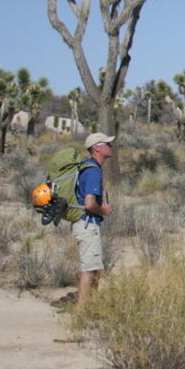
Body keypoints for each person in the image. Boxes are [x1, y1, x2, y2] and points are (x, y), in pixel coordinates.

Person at [73, 132, 115, 308]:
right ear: (97, 148)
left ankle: (92, 304)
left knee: (95, 267)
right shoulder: (92, 172)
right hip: (88, 223)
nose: (110, 147)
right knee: (89, 269)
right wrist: (103, 210)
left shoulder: (88, 167)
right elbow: (89, 203)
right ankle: (82, 310)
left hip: (85, 223)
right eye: (107, 144)